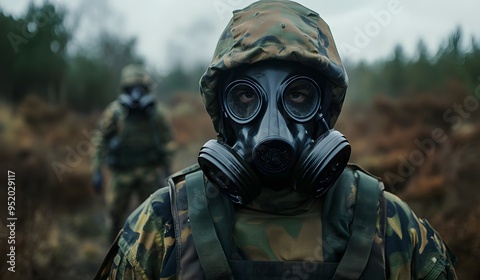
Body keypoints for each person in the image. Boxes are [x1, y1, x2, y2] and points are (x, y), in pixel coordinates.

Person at [95, 1, 457, 279]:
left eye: (298, 96)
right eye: (246, 98)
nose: (273, 125)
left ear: (325, 109)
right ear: (222, 111)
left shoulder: (393, 228)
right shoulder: (161, 226)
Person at [91, 63, 175, 242]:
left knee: (157, 214)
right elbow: (100, 139)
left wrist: (167, 169)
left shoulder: (156, 113)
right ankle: (111, 254)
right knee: (114, 213)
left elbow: (168, 141)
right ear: (124, 89)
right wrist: (96, 169)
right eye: (131, 89)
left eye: (141, 89)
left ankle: (154, 253)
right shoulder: (115, 112)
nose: (136, 94)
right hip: (122, 173)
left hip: (149, 171)